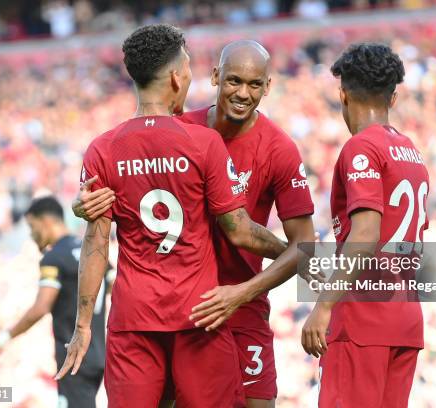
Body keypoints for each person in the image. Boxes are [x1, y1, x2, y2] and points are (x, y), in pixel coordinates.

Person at [54, 24, 301, 408]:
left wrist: (83, 324)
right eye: (187, 70)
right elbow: (238, 230)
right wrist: (298, 254)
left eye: (254, 84)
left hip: (135, 317)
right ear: (174, 76)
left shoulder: (102, 148)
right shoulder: (202, 140)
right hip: (199, 314)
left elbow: (96, 241)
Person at [301, 43, 429, 407]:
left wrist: (324, 305)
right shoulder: (411, 151)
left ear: (342, 95)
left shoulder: (361, 148)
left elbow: (367, 234)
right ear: (393, 98)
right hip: (405, 317)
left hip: (363, 318)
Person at [0, 196, 109, 408]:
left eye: (32, 227)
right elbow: (115, 284)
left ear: (46, 222)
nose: (32, 235)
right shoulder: (92, 251)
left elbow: (41, 307)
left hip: (73, 356)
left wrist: (4, 339)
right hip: (99, 353)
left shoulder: (54, 258)